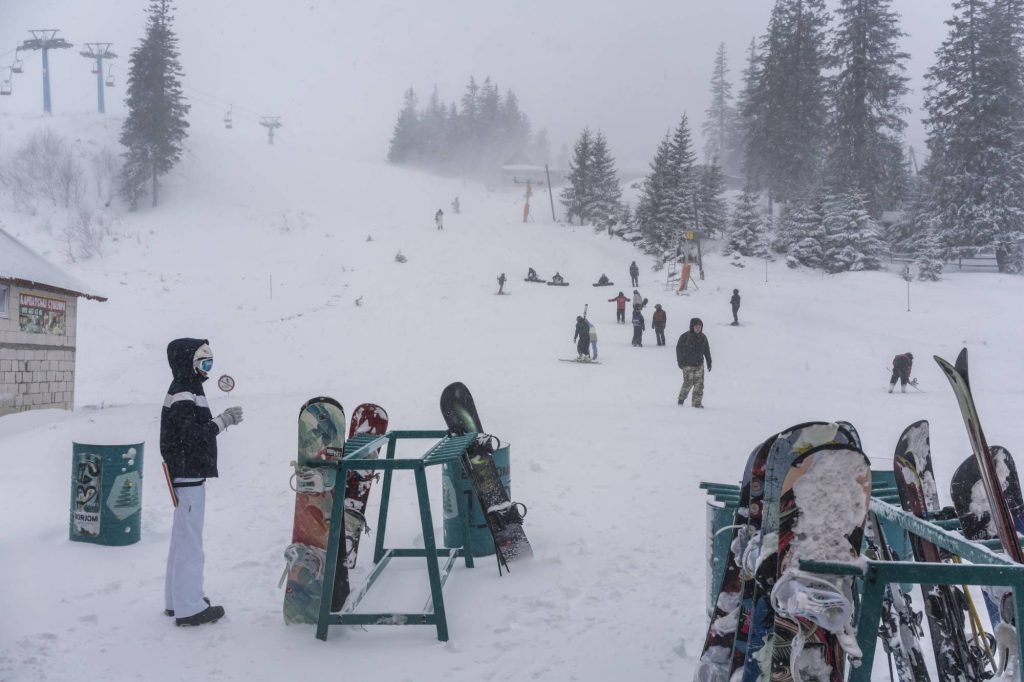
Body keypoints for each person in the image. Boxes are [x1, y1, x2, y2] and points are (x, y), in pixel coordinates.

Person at [161, 338, 244, 626]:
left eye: (211, 363)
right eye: (204, 363)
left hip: (186, 474)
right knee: (190, 543)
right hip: (187, 474)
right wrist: (224, 420)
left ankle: (177, 600)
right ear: (189, 363)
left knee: (182, 539)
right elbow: (191, 435)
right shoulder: (185, 391)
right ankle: (189, 607)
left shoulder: (188, 387)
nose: (208, 369)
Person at [676, 318, 712, 407]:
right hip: (687, 365)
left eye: (700, 327)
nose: (698, 328)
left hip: (699, 365)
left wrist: (709, 361)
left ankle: (697, 403)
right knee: (688, 383)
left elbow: (707, 350)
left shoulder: (703, 337)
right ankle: (681, 399)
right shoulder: (685, 336)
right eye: (696, 327)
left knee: (699, 384)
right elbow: (678, 349)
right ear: (692, 327)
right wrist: (680, 361)